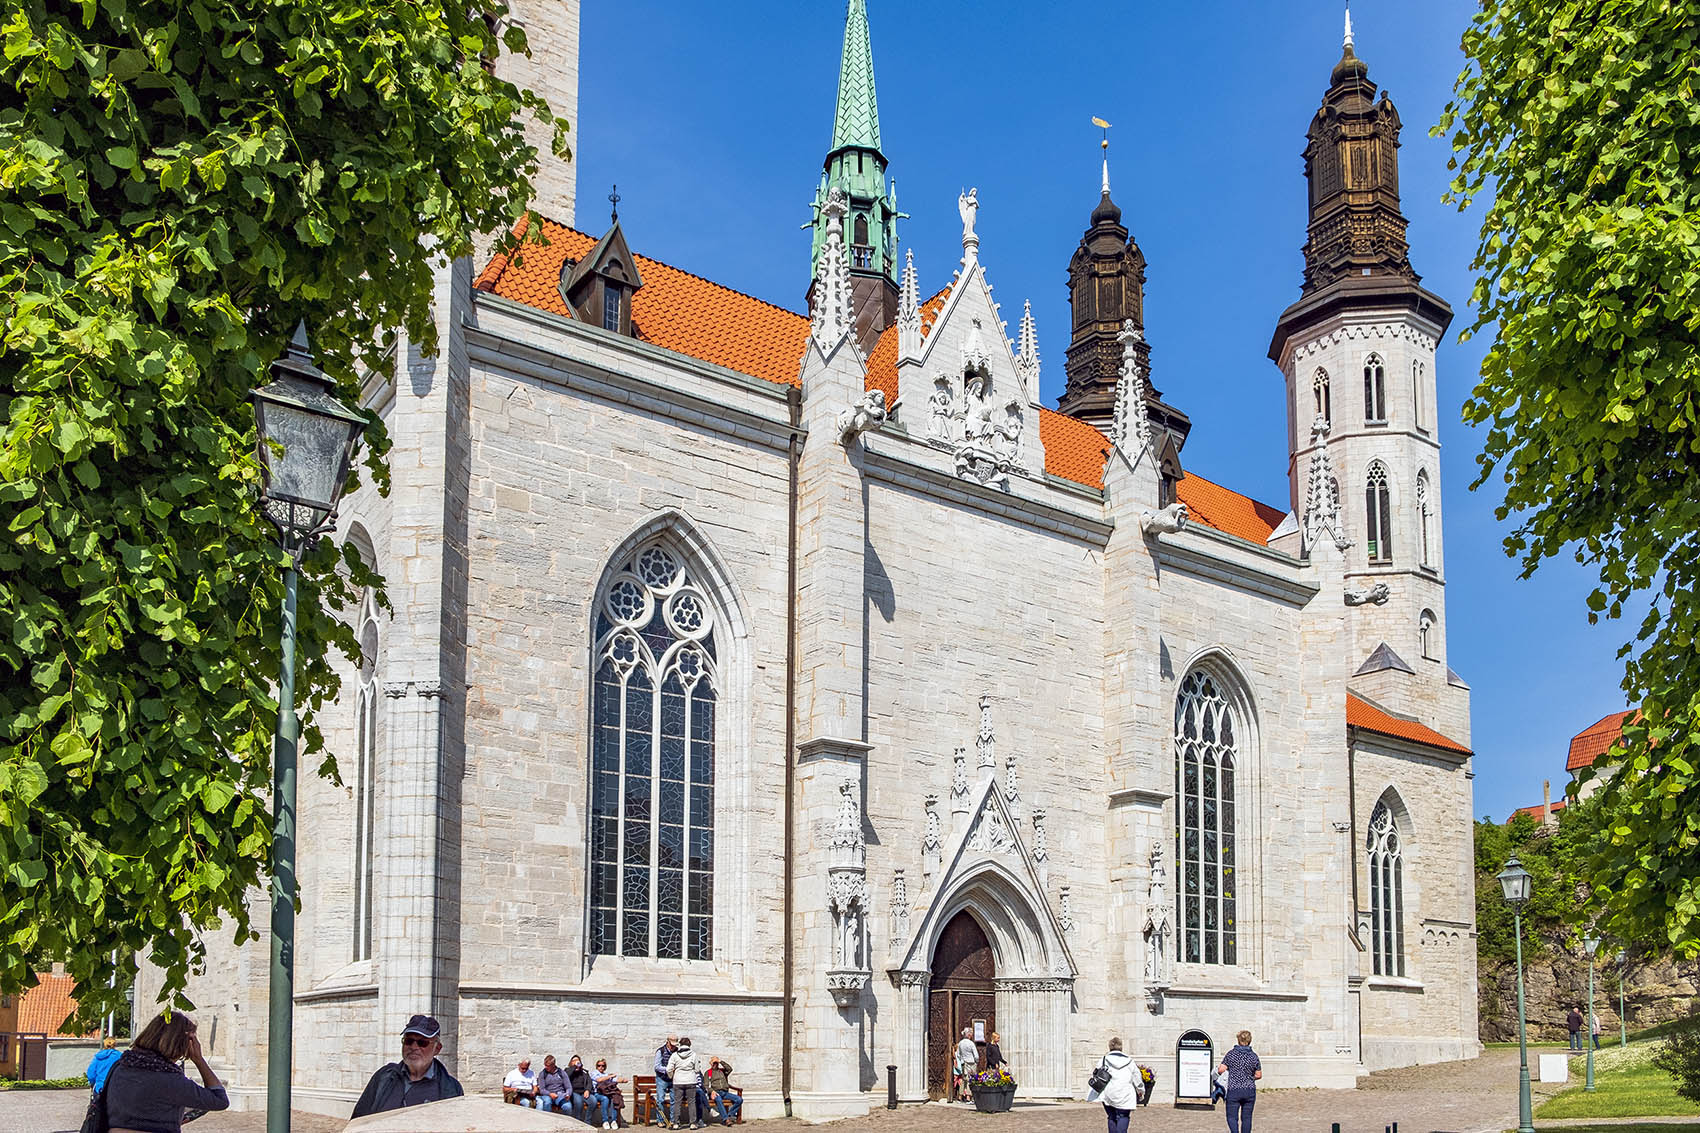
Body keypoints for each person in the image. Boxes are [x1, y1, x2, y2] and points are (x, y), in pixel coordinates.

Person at [100, 1009, 229, 1133]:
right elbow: (219, 1099)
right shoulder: (171, 1080)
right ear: (182, 1043)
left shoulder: (120, 1068)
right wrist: (199, 1060)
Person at [351, 1014, 465, 1117]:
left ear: (437, 1049)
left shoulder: (451, 1089)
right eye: (409, 1041)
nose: (414, 1047)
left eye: (422, 1043)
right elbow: (359, 1119)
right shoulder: (384, 1076)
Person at [1086, 1036, 1140, 1133]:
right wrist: (1141, 1091)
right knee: (1123, 1116)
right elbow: (1137, 1078)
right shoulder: (1130, 1061)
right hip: (1125, 1093)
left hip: (1108, 1092)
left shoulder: (1104, 1059)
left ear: (1110, 1047)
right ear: (1121, 1047)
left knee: (1112, 1117)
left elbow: (1096, 1074)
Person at [1217, 1029, 1262, 1133]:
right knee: (1247, 1118)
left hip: (1234, 1089)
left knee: (1232, 1117)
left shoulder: (1231, 1054)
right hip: (1249, 1090)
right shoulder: (1254, 1056)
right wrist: (1249, 1077)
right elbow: (1258, 1075)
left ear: (1238, 1040)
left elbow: (1220, 1070)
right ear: (1250, 1040)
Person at [665, 1036, 704, 1129]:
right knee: (691, 1102)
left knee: (677, 1102)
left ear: (680, 1044)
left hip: (678, 1081)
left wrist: (672, 1076)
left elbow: (668, 1069)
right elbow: (697, 1069)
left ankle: (676, 1123)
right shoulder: (693, 1055)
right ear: (689, 1045)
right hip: (691, 1080)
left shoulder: (674, 1055)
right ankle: (693, 1123)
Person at [567, 1055, 609, 1126]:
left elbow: (589, 1082)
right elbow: (567, 1076)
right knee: (578, 1102)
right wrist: (574, 1067)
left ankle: (587, 1121)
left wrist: (587, 1090)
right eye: (574, 1061)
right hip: (573, 1092)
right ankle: (577, 1121)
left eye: (577, 1061)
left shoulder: (584, 1072)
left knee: (593, 1101)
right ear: (571, 1063)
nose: (576, 1062)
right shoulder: (568, 1070)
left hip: (584, 1092)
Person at [704, 1056, 741, 1126]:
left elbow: (730, 1069)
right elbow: (705, 1085)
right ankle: (726, 1119)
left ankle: (729, 1115)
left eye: (716, 1063)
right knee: (718, 1099)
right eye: (713, 1063)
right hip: (715, 1093)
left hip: (725, 1092)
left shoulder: (722, 1072)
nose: (715, 1064)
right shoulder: (708, 1072)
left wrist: (720, 1061)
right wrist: (712, 1091)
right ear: (711, 1064)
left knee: (739, 1099)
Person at [592, 1058, 626, 1129]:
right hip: (596, 1093)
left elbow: (615, 1079)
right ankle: (605, 1121)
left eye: (603, 1066)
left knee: (614, 1098)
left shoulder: (606, 1074)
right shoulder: (594, 1073)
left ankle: (613, 1121)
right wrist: (610, 1076)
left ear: (605, 1067)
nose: (601, 1067)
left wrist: (623, 1080)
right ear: (596, 1066)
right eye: (599, 1065)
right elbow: (599, 1080)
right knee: (605, 1099)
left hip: (606, 1093)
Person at [652, 1035, 679, 1126]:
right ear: (667, 1042)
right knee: (660, 1099)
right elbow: (657, 1066)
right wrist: (668, 1069)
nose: (673, 1046)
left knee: (674, 1100)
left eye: (675, 1045)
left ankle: (673, 1120)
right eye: (672, 1044)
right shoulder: (660, 1051)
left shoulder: (677, 1051)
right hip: (662, 1079)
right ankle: (660, 1120)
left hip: (673, 1079)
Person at [954, 1027, 978, 1101]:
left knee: (964, 1079)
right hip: (971, 1063)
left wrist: (962, 1060)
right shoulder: (971, 1043)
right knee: (970, 1080)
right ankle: (968, 1096)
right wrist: (976, 1061)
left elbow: (958, 1054)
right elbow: (976, 1055)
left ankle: (960, 1096)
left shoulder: (961, 1043)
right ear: (969, 1035)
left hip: (964, 1063)